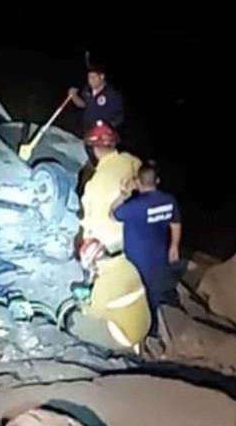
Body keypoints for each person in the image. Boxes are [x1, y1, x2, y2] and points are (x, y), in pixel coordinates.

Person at [113, 162, 182, 329]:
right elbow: (176, 223)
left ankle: (141, 328)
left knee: (138, 295)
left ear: (138, 182)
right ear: (157, 181)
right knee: (154, 294)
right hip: (159, 256)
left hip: (137, 260)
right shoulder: (169, 201)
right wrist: (174, 246)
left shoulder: (134, 206)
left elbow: (113, 214)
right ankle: (154, 327)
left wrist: (122, 194)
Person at [61, 238, 151, 352]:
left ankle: (118, 350)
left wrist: (81, 305)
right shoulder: (126, 264)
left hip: (127, 335)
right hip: (145, 325)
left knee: (74, 321)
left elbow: (94, 314)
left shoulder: (103, 284)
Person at [80, 121, 142, 254]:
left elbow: (90, 226)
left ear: (94, 149)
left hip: (111, 248)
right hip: (138, 239)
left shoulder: (93, 185)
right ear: (114, 144)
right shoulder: (133, 162)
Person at [68, 60, 125, 133]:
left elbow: (120, 116)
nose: (91, 80)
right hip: (87, 128)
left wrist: (109, 126)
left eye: (93, 77)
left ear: (102, 77)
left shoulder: (112, 95)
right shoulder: (87, 90)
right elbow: (83, 105)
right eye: (89, 78)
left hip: (103, 131)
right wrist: (74, 96)